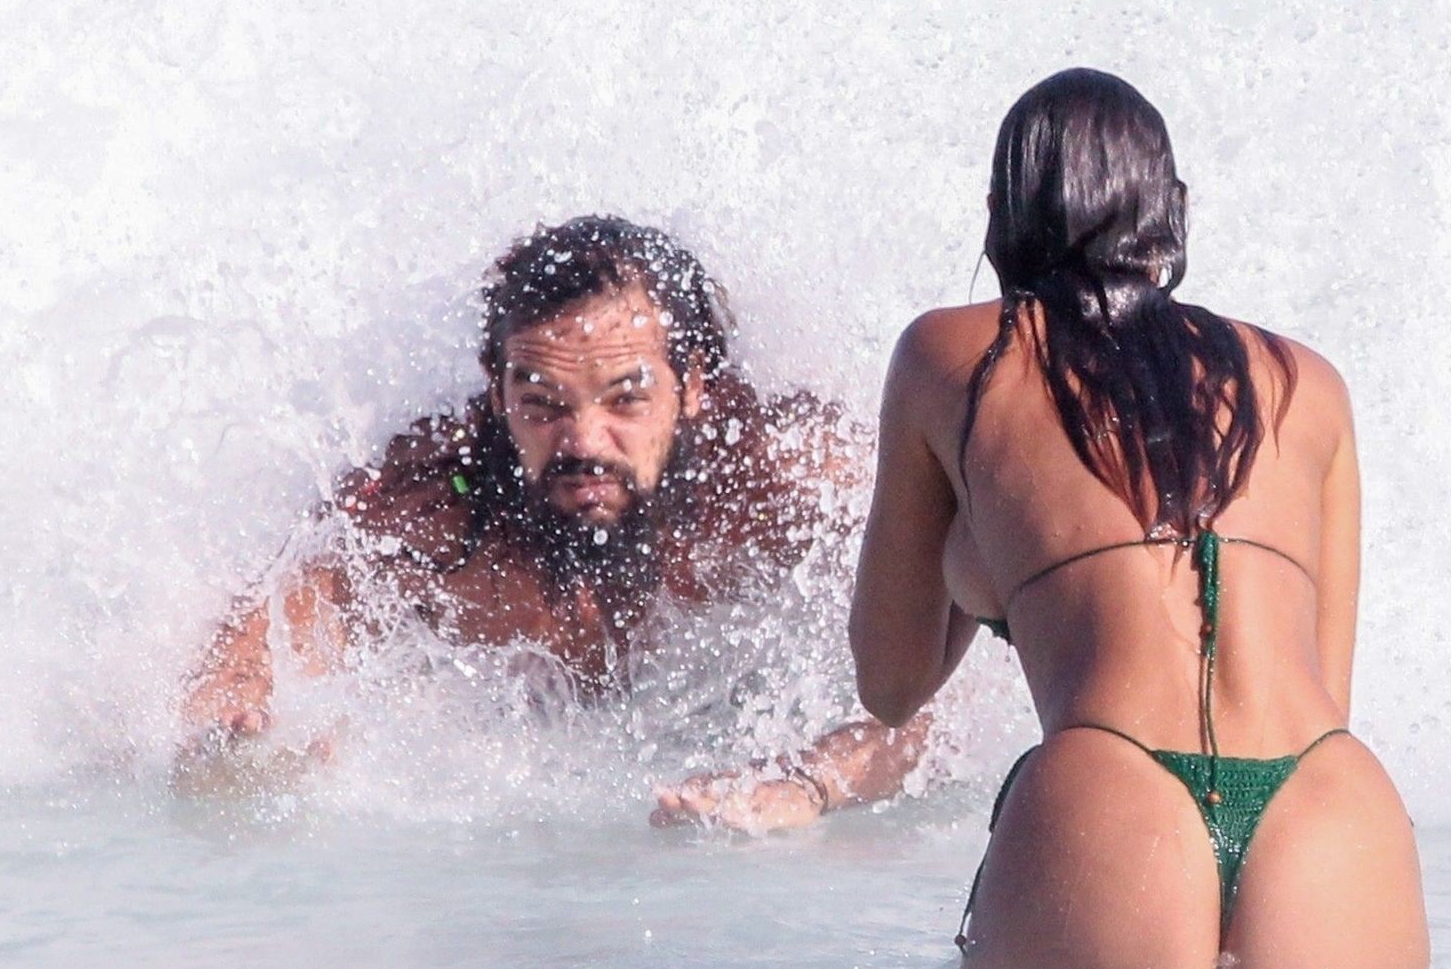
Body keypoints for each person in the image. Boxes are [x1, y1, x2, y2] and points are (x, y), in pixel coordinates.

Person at [849, 69, 1427, 969]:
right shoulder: (1309, 381)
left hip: (1111, 793)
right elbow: (1327, 686)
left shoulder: (948, 354)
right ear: (1173, 211)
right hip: (1330, 802)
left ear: (1001, 213)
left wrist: (973, 550)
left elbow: (891, 683)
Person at [181, 215, 925, 829]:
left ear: (693, 386)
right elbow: (256, 642)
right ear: (497, 391)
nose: (583, 443)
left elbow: (956, 702)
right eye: (542, 403)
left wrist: (809, 782)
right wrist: (236, 748)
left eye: (626, 399)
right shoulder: (435, 503)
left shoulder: (779, 478)